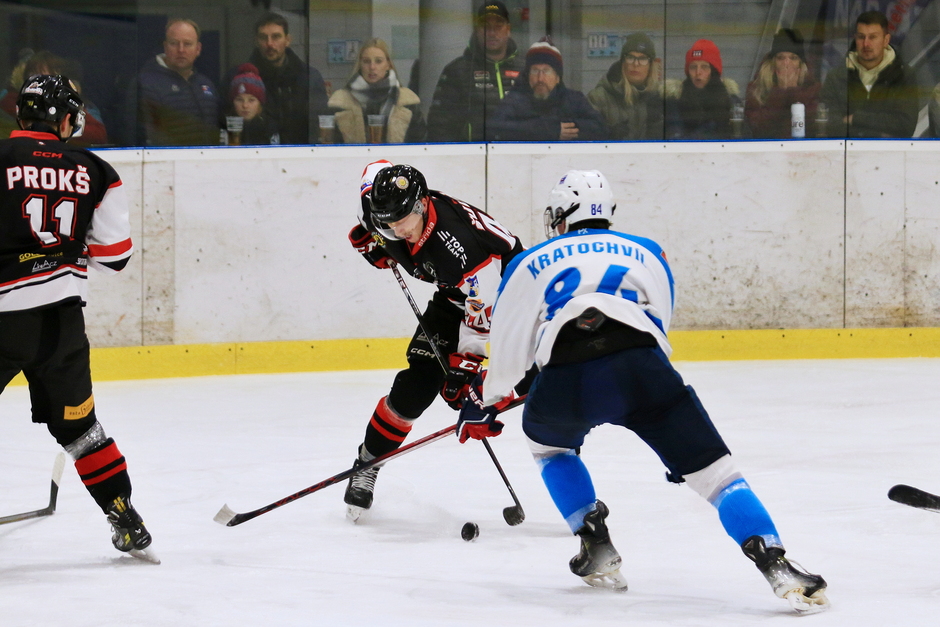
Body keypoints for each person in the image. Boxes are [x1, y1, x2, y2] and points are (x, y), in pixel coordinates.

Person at [456, 169, 829, 614]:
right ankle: (776, 563)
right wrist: (675, 441)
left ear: (562, 216)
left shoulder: (529, 260)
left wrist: (489, 398)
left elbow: (510, 340)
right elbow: (657, 325)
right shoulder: (648, 251)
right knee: (717, 475)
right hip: (642, 369)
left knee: (548, 446)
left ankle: (595, 543)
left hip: (567, 375)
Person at [0, 75, 156, 562]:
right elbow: (115, 257)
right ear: (66, 119)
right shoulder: (97, 171)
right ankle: (125, 518)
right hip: (60, 325)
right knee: (81, 429)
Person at [343, 161, 525, 521]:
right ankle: (368, 462)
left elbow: (482, 310)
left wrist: (467, 364)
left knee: (525, 386)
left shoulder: (461, 247)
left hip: (511, 302)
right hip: (454, 295)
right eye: (387, 224)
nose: (397, 231)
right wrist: (372, 242)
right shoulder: (380, 212)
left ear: (423, 204)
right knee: (416, 386)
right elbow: (374, 179)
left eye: (402, 221)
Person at [426, 1, 525, 142]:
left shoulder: (525, 69)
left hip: (519, 152)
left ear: (508, 30)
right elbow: (439, 125)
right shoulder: (457, 70)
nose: (492, 33)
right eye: (486, 27)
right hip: (472, 153)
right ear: (477, 30)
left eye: (498, 26)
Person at [819, 10, 919, 138]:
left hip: (889, 151)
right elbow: (828, 125)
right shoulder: (837, 77)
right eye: (861, 37)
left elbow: (905, 126)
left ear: (886, 40)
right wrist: (879, 133)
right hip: (846, 151)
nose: (866, 44)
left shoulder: (903, 75)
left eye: (873, 37)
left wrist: (855, 118)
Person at [126, 18, 221, 146]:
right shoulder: (144, 84)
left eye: (187, 44)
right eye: (174, 43)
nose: (181, 50)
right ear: (165, 47)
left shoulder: (206, 85)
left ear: (198, 49)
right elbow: (133, 137)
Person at [490, 38, 607, 141]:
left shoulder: (573, 100)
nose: (540, 78)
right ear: (527, 76)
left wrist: (567, 128)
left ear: (557, 77)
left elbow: (600, 127)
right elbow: (495, 128)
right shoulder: (515, 100)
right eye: (535, 71)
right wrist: (546, 130)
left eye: (546, 71)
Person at [244, 12, 328, 144]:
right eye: (263, 37)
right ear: (256, 41)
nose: (269, 44)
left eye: (276, 37)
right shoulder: (242, 79)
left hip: (302, 153)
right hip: (257, 153)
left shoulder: (309, 78)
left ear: (287, 40)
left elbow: (321, 123)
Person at [0, 51, 109, 147]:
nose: (37, 81)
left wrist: (71, 101)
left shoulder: (87, 107)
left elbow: (99, 135)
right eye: (32, 75)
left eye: (44, 75)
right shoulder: (14, 100)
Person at [327, 39, 426, 144]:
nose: (372, 67)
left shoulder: (407, 101)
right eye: (366, 61)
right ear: (360, 64)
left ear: (388, 65)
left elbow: (420, 143)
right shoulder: (340, 101)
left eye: (378, 61)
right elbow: (329, 142)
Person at [587, 32, 665, 140]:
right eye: (630, 57)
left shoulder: (660, 98)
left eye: (642, 59)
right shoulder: (598, 98)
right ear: (623, 62)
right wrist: (608, 134)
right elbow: (585, 138)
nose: (636, 64)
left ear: (650, 65)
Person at [745, 28, 821, 139]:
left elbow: (813, 127)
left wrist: (793, 92)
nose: (786, 63)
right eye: (780, 58)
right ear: (773, 63)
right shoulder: (757, 89)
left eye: (793, 58)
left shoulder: (813, 88)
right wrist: (780, 93)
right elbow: (758, 129)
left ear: (800, 64)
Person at [665, 39, 741, 140]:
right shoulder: (675, 100)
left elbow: (743, 136)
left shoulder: (732, 101)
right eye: (693, 67)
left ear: (713, 71)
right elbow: (675, 137)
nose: (698, 72)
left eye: (704, 67)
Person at [227, 63, 280, 145]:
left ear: (260, 103)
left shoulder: (270, 128)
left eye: (251, 100)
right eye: (239, 100)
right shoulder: (224, 127)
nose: (245, 105)